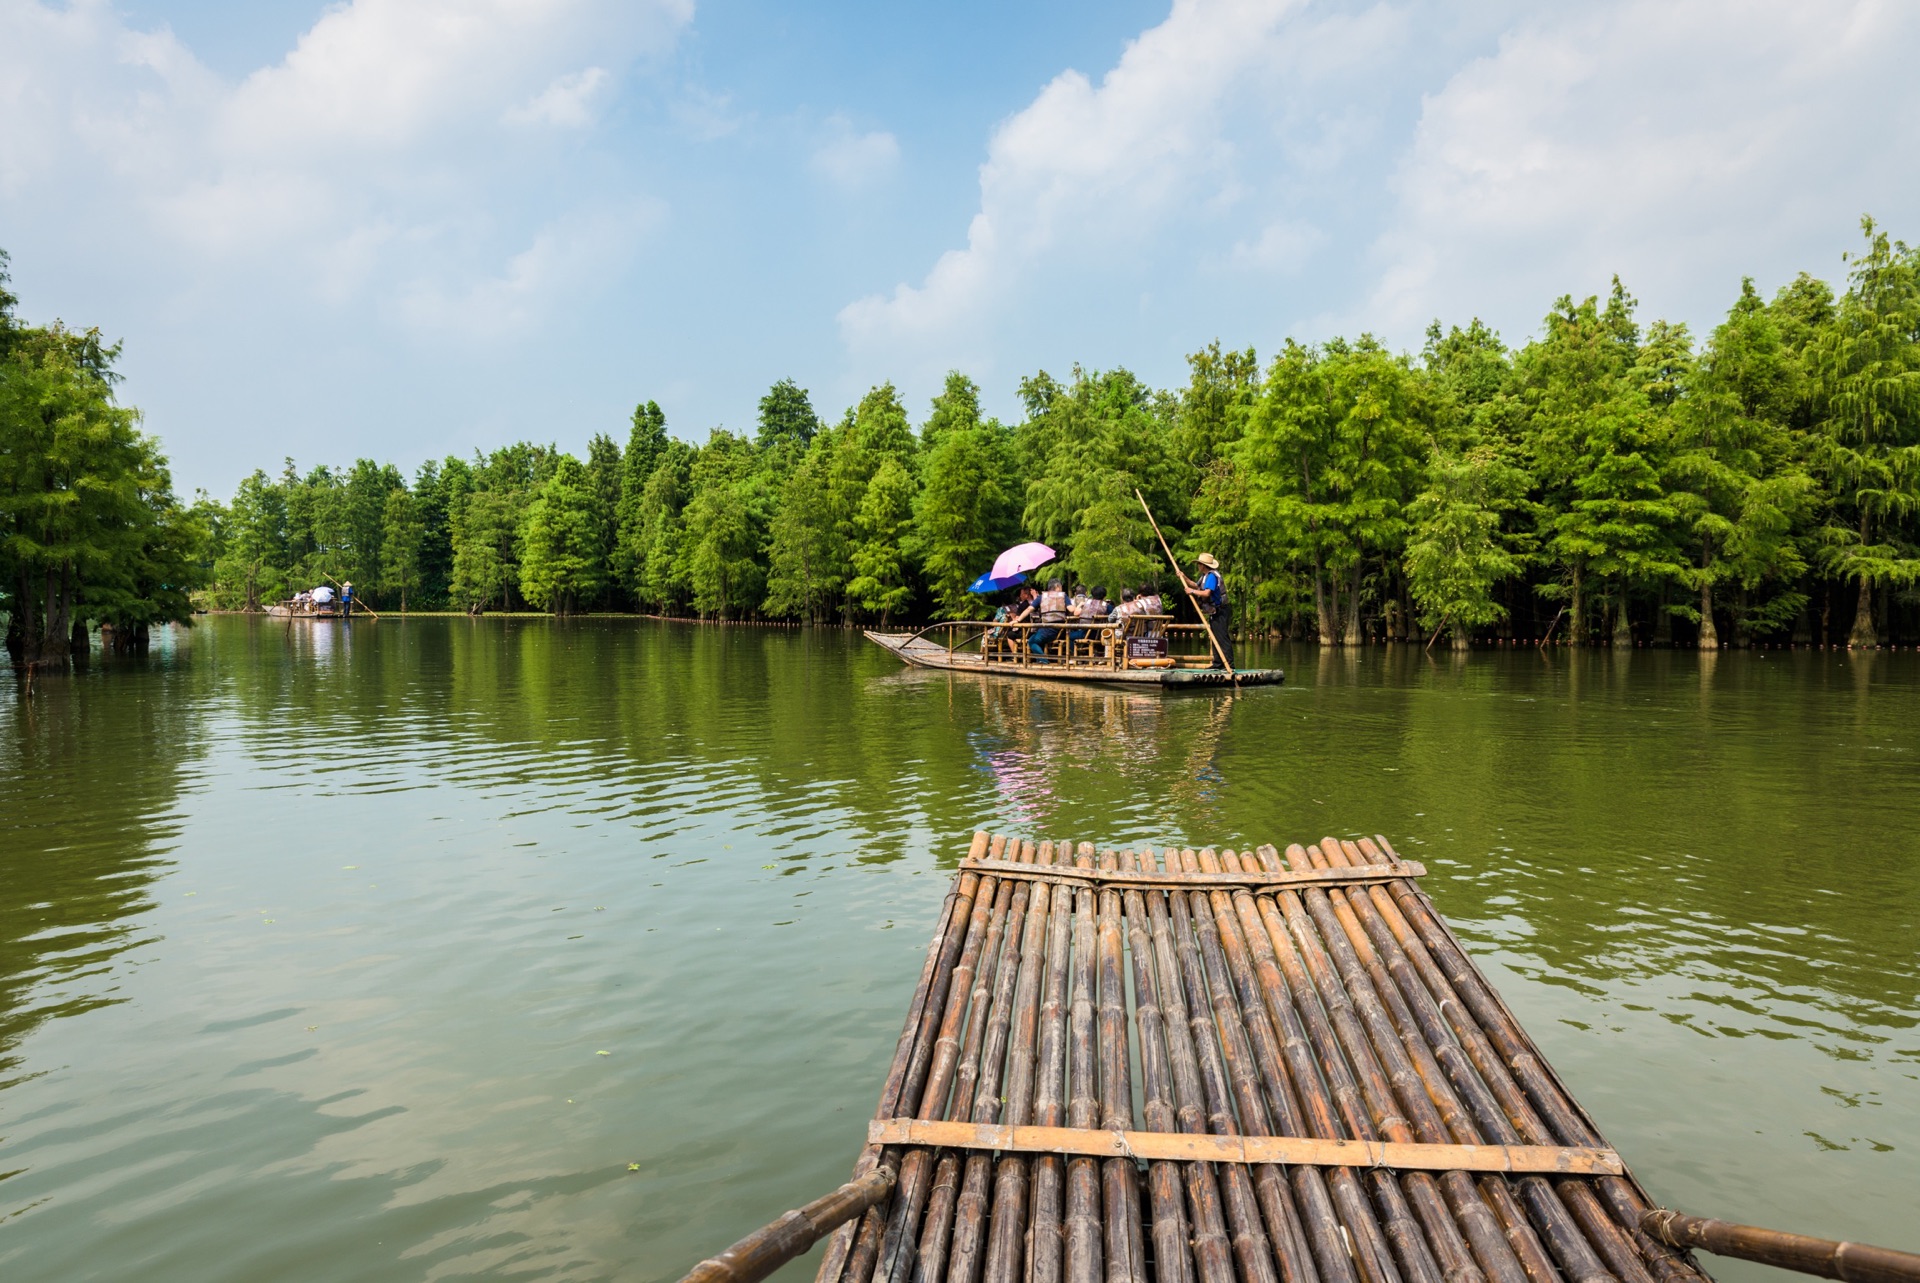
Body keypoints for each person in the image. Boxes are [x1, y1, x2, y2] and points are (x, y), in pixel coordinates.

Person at [1177, 553, 1234, 669]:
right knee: (1214, 637)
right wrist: (1183, 577)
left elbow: (1207, 593)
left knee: (1222, 637)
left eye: (1199, 564)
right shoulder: (1205, 576)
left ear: (1203, 565)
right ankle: (1218, 663)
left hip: (1220, 611)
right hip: (1214, 611)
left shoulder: (1212, 576)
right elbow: (1195, 585)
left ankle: (1229, 664)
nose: (1198, 566)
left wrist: (1192, 592)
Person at [1030, 579, 1068, 657]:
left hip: (1047, 629)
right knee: (1035, 638)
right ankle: (1044, 658)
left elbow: (1029, 609)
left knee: (1032, 641)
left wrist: (1018, 620)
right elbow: (1071, 609)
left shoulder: (1041, 597)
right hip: (1061, 630)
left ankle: (1043, 660)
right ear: (1057, 587)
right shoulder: (1063, 596)